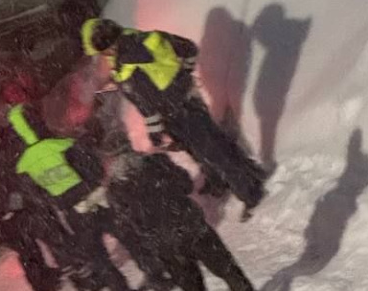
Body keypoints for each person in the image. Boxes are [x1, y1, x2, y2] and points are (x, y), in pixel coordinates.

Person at [81, 18, 267, 218]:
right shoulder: (142, 39)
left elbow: (146, 101)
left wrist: (155, 132)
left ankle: (251, 191)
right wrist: (182, 77)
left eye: (100, 52)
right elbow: (188, 48)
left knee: (213, 149)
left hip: (177, 111)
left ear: (105, 44)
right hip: (181, 104)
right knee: (204, 147)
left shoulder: (131, 60)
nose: (101, 57)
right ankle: (220, 180)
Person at [108, 149, 268, 291]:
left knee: (193, 287)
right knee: (226, 268)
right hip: (191, 226)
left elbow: (126, 228)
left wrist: (150, 244)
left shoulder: (116, 190)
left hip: (165, 245)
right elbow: (185, 184)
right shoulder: (156, 162)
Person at [5, 102, 146, 291]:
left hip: (72, 210)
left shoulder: (23, 164)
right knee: (127, 234)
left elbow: (34, 194)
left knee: (98, 255)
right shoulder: (58, 144)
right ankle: (156, 273)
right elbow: (86, 160)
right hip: (91, 198)